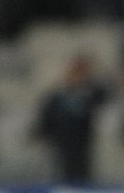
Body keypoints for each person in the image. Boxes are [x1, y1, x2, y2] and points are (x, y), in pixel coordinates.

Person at [38, 55, 107, 184]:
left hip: (82, 139)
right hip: (62, 140)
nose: (77, 76)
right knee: (63, 169)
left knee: (82, 169)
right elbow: (47, 115)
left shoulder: (91, 92)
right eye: (74, 72)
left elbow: (104, 96)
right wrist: (44, 131)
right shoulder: (58, 95)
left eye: (80, 73)